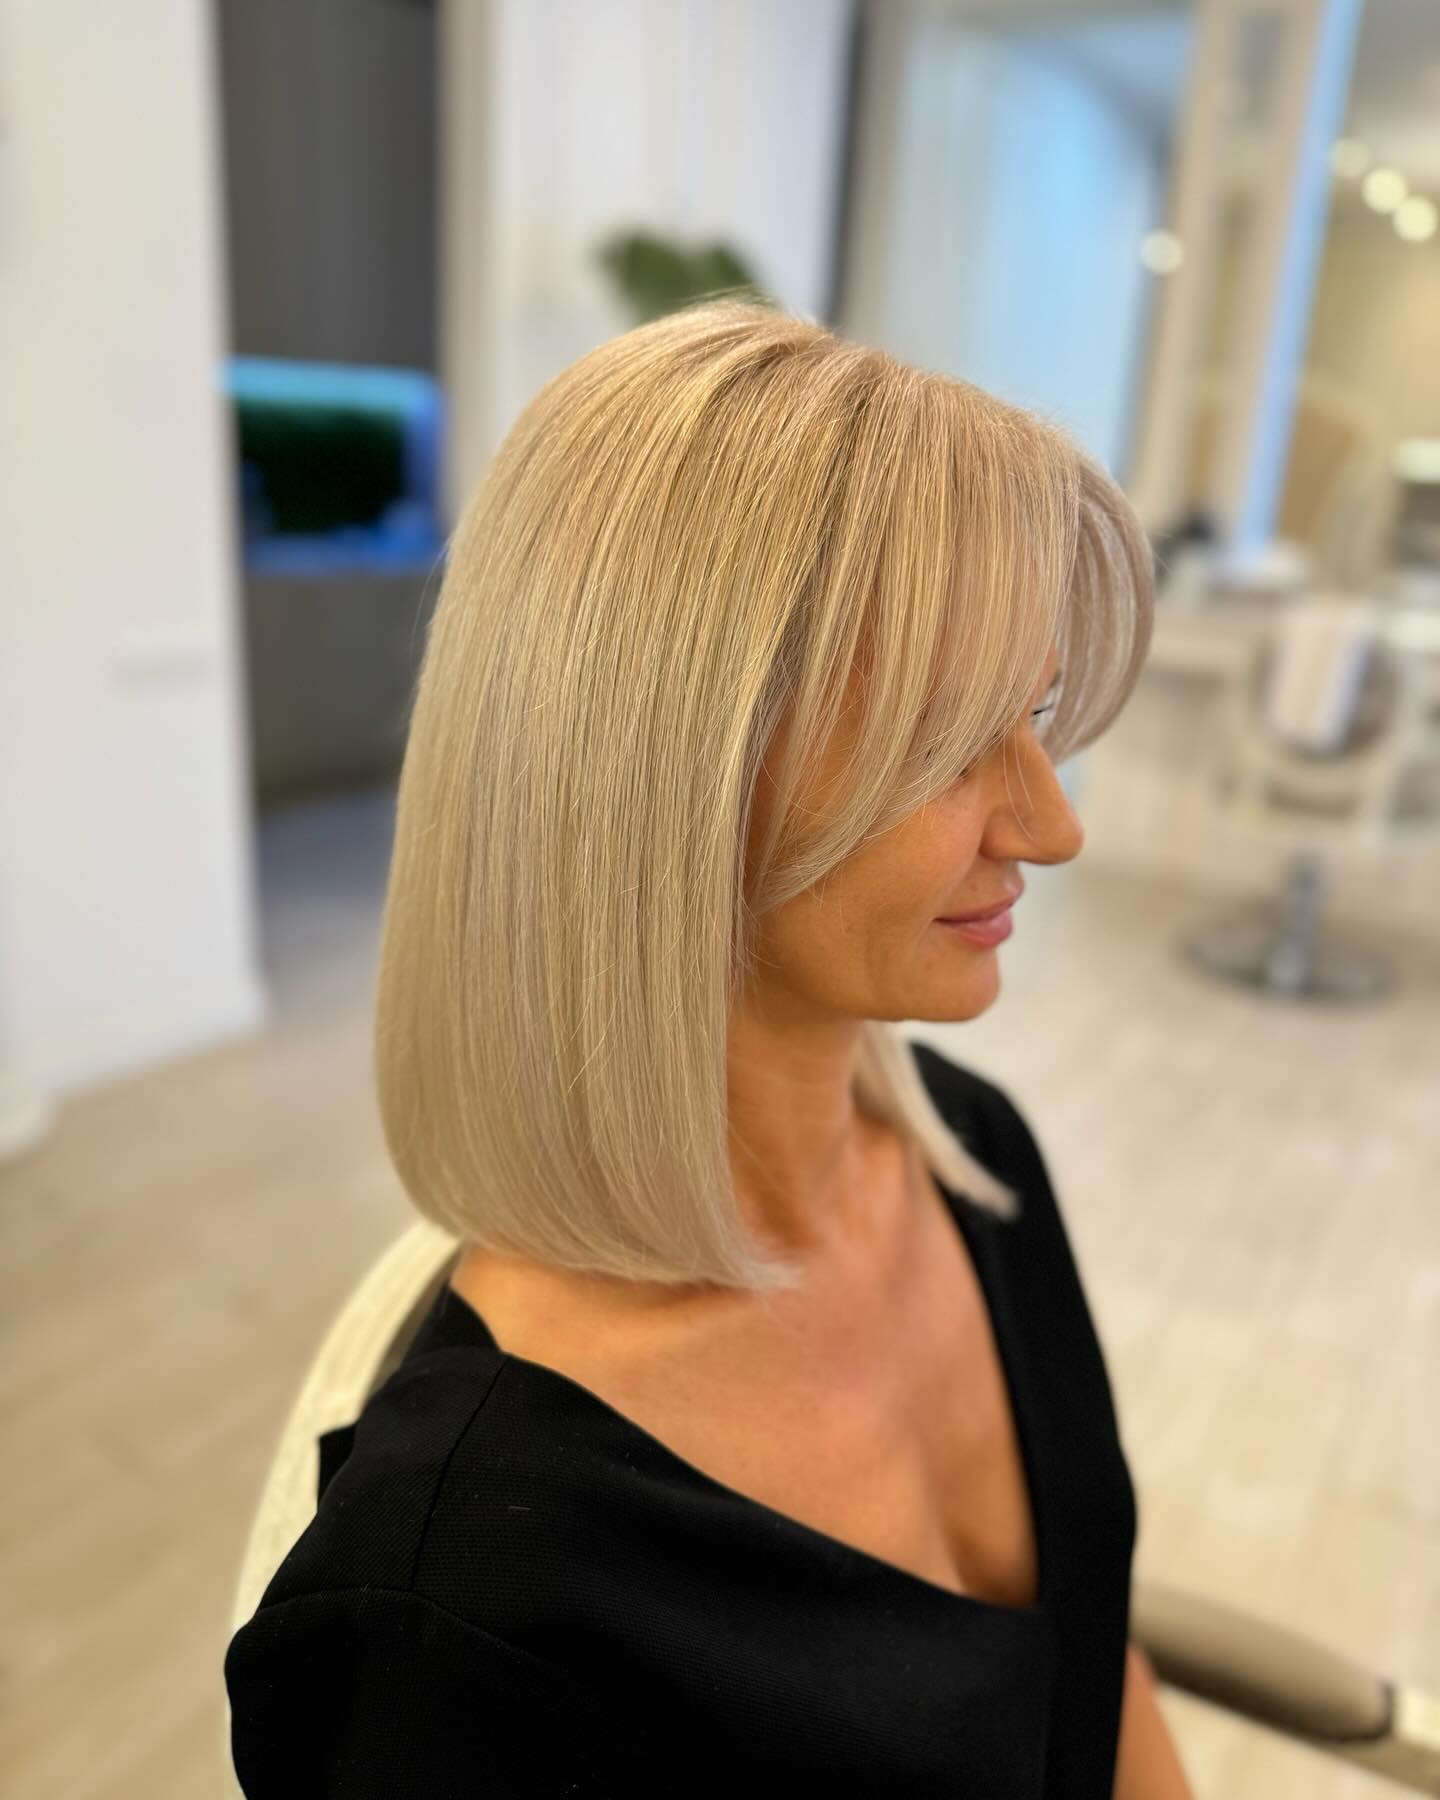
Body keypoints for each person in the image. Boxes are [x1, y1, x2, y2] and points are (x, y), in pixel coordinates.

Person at [225, 300, 1192, 1796]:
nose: (1052, 825)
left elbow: (1092, 1639)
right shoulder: (458, 1609)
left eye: (1040, 712)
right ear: (664, 774)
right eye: (952, 739)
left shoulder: (976, 1161)